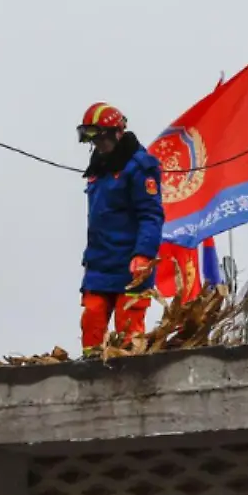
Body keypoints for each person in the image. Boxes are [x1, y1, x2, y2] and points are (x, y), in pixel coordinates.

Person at [76, 103, 166, 357]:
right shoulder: (98, 170)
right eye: (94, 141)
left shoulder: (139, 167)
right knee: (92, 319)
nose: (98, 146)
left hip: (131, 265)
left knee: (128, 331)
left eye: (102, 139)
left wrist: (144, 254)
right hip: (100, 263)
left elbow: (151, 215)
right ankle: (90, 375)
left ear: (117, 133)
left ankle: (129, 378)